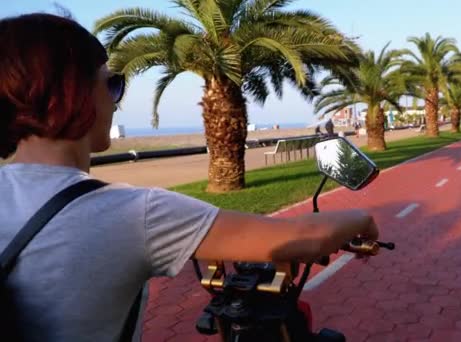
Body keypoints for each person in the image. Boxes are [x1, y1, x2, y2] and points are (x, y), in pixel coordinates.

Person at [0, 13, 379, 341]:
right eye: (112, 84)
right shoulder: (132, 213)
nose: (116, 101)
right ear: (74, 94)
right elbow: (301, 239)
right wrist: (363, 219)